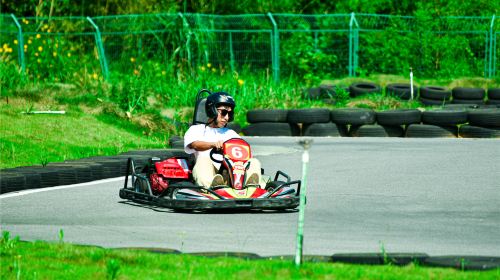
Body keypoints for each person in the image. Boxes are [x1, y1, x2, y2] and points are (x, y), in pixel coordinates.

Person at [184, 91, 262, 188]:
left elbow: (244, 153)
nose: (226, 117)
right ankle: (213, 187)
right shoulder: (196, 130)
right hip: (209, 173)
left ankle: (251, 187)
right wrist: (213, 145)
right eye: (224, 113)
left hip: (231, 174)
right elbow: (194, 145)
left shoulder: (231, 134)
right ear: (212, 110)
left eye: (229, 114)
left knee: (253, 161)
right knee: (203, 159)